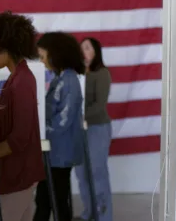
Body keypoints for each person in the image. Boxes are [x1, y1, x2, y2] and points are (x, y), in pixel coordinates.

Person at [0, 11, 45, 221]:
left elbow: (20, 138)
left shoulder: (22, 81)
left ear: (9, 48)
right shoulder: (17, 78)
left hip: (18, 174)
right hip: (17, 172)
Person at [33, 32, 85, 221]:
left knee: (56, 199)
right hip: (54, 151)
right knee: (46, 198)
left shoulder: (69, 80)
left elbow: (63, 119)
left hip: (60, 151)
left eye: (43, 56)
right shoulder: (60, 78)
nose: (42, 61)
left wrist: (38, 132)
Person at [74, 37, 113, 221]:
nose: (84, 52)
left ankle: (104, 215)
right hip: (79, 130)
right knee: (82, 175)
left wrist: (79, 116)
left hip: (97, 128)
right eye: (82, 49)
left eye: (88, 48)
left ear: (96, 51)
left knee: (97, 173)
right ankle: (89, 212)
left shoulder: (102, 73)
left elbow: (100, 104)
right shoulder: (78, 74)